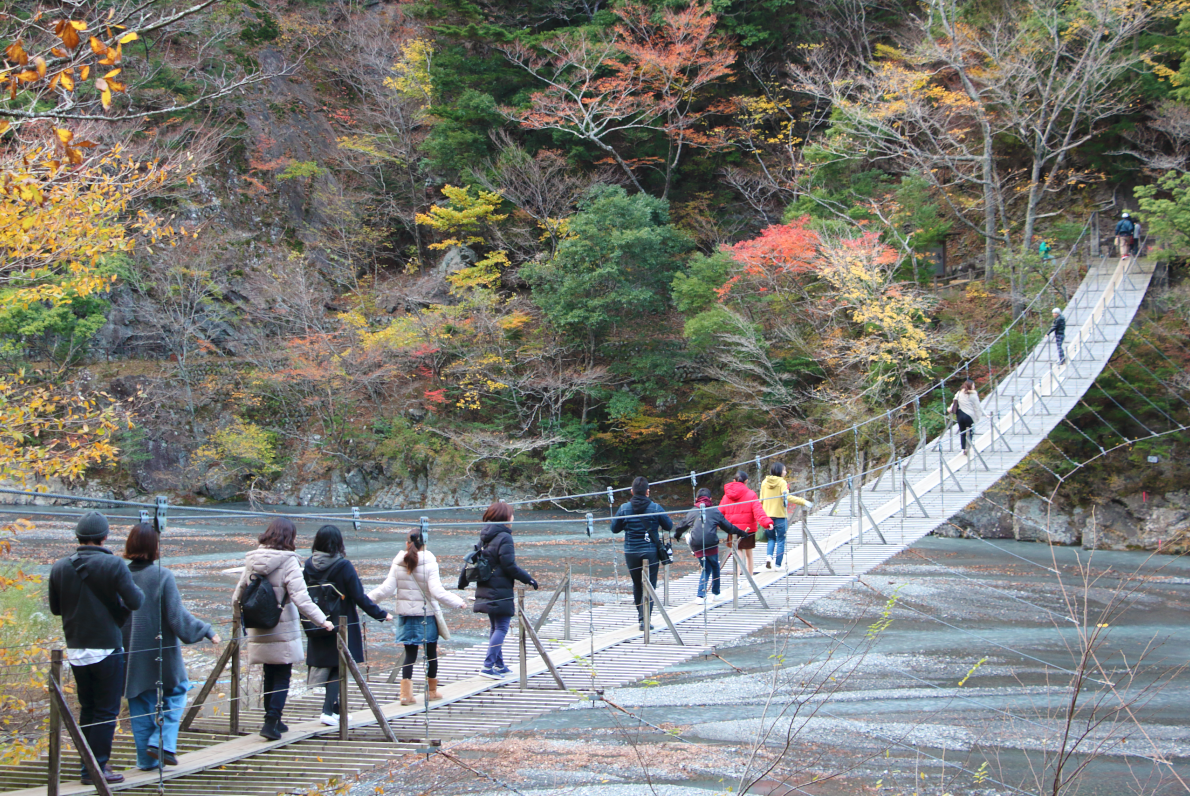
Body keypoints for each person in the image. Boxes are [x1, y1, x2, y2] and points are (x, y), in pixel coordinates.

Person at [48, 512, 145, 785]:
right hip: (107, 647)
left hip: (76, 648)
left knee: (88, 708)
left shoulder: (59, 567)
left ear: (78, 537)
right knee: (106, 711)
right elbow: (136, 601)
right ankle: (97, 769)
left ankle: (87, 767)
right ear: (104, 537)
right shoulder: (113, 564)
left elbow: (56, 609)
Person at [123, 523, 220, 771]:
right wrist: (206, 630)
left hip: (131, 654)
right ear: (155, 547)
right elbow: (178, 618)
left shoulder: (119, 575)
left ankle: (146, 762)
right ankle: (162, 743)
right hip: (160, 653)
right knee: (177, 691)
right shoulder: (161, 575)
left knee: (140, 703)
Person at [232, 518, 333, 740]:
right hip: (282, 623)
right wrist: (322, 621)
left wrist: (239, 621)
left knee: (269, 670)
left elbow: (237, 595)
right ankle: (271, 721)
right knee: (283, 673)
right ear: (290, 538)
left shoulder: (251, 560)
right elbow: (301, 598)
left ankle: (274, 719)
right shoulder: (289, 561)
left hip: (258, 624)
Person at [304, 525, 390, 726]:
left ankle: (336, 711)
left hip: (317, 622)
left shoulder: (308, 565)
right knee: (338, 666)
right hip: (341, 623)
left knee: (330, 664)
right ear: (338, 543)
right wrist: (381, 614)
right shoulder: (344, 566)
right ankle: (327, 711)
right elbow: (358, 596)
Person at [369, 529, 464, 706]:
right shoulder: (430, 562)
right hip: (426, 615)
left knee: (410, 655)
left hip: (406, 615)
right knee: (431, 654)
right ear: (425, 544)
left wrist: (366, 599)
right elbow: (437, 591)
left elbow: (386, 589)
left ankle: (406, 695)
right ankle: (432, 691)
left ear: (407, 544)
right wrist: (458, 602)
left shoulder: (398, 562)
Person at [467, 501, 537, 678]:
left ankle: (499, 664)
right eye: (511, 514)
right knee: (502, 627)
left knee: (495, 626)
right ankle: (487, 666)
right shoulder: (504, 537)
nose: (513, 517)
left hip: (486, 586)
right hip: (500, 589)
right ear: (504, 516)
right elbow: (509, 566)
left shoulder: (485, 536)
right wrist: (528, 578)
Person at [611, 477, 674, 630]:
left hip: (631, 551)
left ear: (632, 491)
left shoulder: (624, 508)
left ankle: (640, 617)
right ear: (647, 492)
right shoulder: (656, 508)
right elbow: (669, 525)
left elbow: (614, 528)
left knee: (637, 584)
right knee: (650, 585)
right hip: (650, 551)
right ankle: (645, 619)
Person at [674, 488, 747, 599]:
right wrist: (741, 532)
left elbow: (682, 525)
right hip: (711, 543)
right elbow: (728, 527)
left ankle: (701, 595)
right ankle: (715, 593)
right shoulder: (714, 511)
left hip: (696, 543)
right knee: (714, 566)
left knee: (705, 568)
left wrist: (677, 535)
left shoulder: (693, 511)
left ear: (696, 499)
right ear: (710, 499)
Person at [759, 463, 813, 570]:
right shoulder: (782, 482)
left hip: (767, 516)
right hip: (779, 515)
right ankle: (778, 565)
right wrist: (803, 501)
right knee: (781, 540)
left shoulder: (764, 482)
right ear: (779, 471)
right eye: (784, 470)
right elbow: (787, 497)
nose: (785, 472)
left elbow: (761, 500)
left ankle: (769, 558)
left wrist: (761, 515)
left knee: (771, 539)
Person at [720, 471, 773, 575]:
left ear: (734, 480)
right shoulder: (751, 495)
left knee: (738, 551)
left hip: (732, 529)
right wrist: (767, 523)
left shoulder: (727, 496)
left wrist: (711, 524)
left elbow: (719, 513)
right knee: (749, 553)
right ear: (746, 481)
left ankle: (738, 577)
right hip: (748, 530)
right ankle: (750, 577)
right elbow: (759, 512)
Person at [948, 379, 985, 455]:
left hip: (960, 415)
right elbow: (977, 407)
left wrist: (950, 409)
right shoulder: (973, 395)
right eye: (973, 385)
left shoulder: (959, 393)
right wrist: (978, 416)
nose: (974, 386)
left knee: (962, 432)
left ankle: (963, 448)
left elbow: (954, 402)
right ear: (971, 386)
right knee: (970, 432)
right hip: (969, 415)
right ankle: (968, 447)